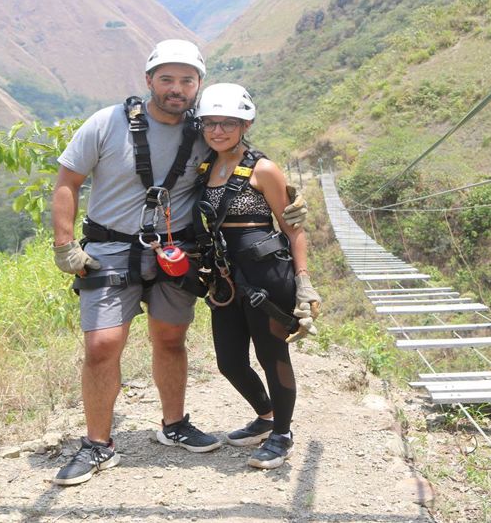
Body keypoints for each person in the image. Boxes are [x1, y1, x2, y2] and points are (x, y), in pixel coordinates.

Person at [50, 41, 307, 486]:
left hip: (177, 255)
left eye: (186, 80)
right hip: (110, 251)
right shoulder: (106, 123)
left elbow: (244, 159)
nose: (176, 88)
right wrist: (64, 245)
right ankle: (97, 444)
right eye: (166, 78)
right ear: (148, 80)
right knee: (102, 346)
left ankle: (175, 425)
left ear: (198, 86)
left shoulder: (203, 130)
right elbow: (68, 180)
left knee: (171, 339)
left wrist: (289, 200)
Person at [193, 83, 321, 469]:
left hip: (267, 276)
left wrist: (303, 281)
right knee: (229, 361)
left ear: (245, 124)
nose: (218, 131)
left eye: (228, 123)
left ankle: (282, 434)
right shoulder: (206, 167)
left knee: (272, 355)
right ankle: (266, 416)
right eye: (210, 123)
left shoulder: (262, 168)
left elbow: (292, 227)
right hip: (226, 279)